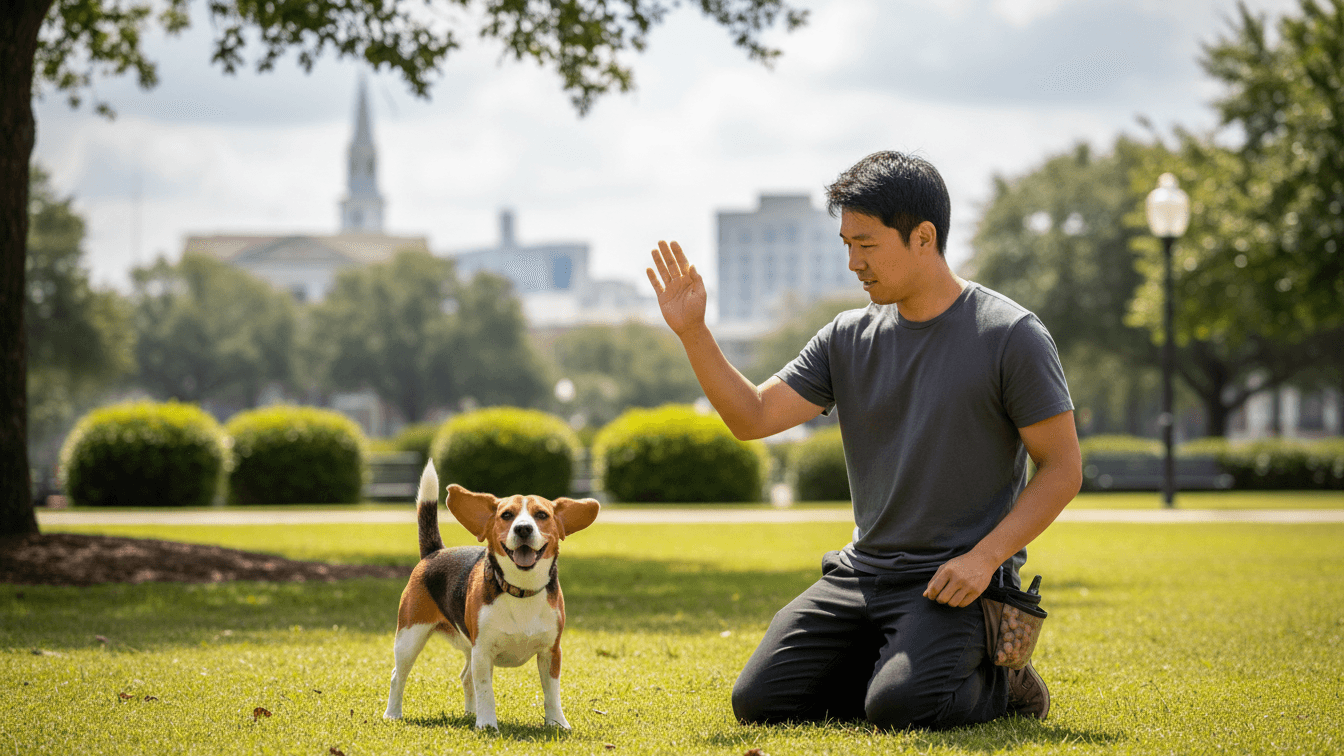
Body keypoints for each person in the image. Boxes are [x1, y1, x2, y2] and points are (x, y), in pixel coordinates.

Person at [644, 151, 1082, 729]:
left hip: (956, 582)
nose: (853, 262)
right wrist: (694, 332)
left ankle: (1006, 679)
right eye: (846, 244)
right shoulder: (846, 337)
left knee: (902, 708)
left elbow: (1062, 468)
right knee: (761, 702)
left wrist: (985, 559)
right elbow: (751, 418)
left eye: (867, 244)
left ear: (923, 238)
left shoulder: (1010, 336)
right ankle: (894, 673)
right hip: (861, 574)